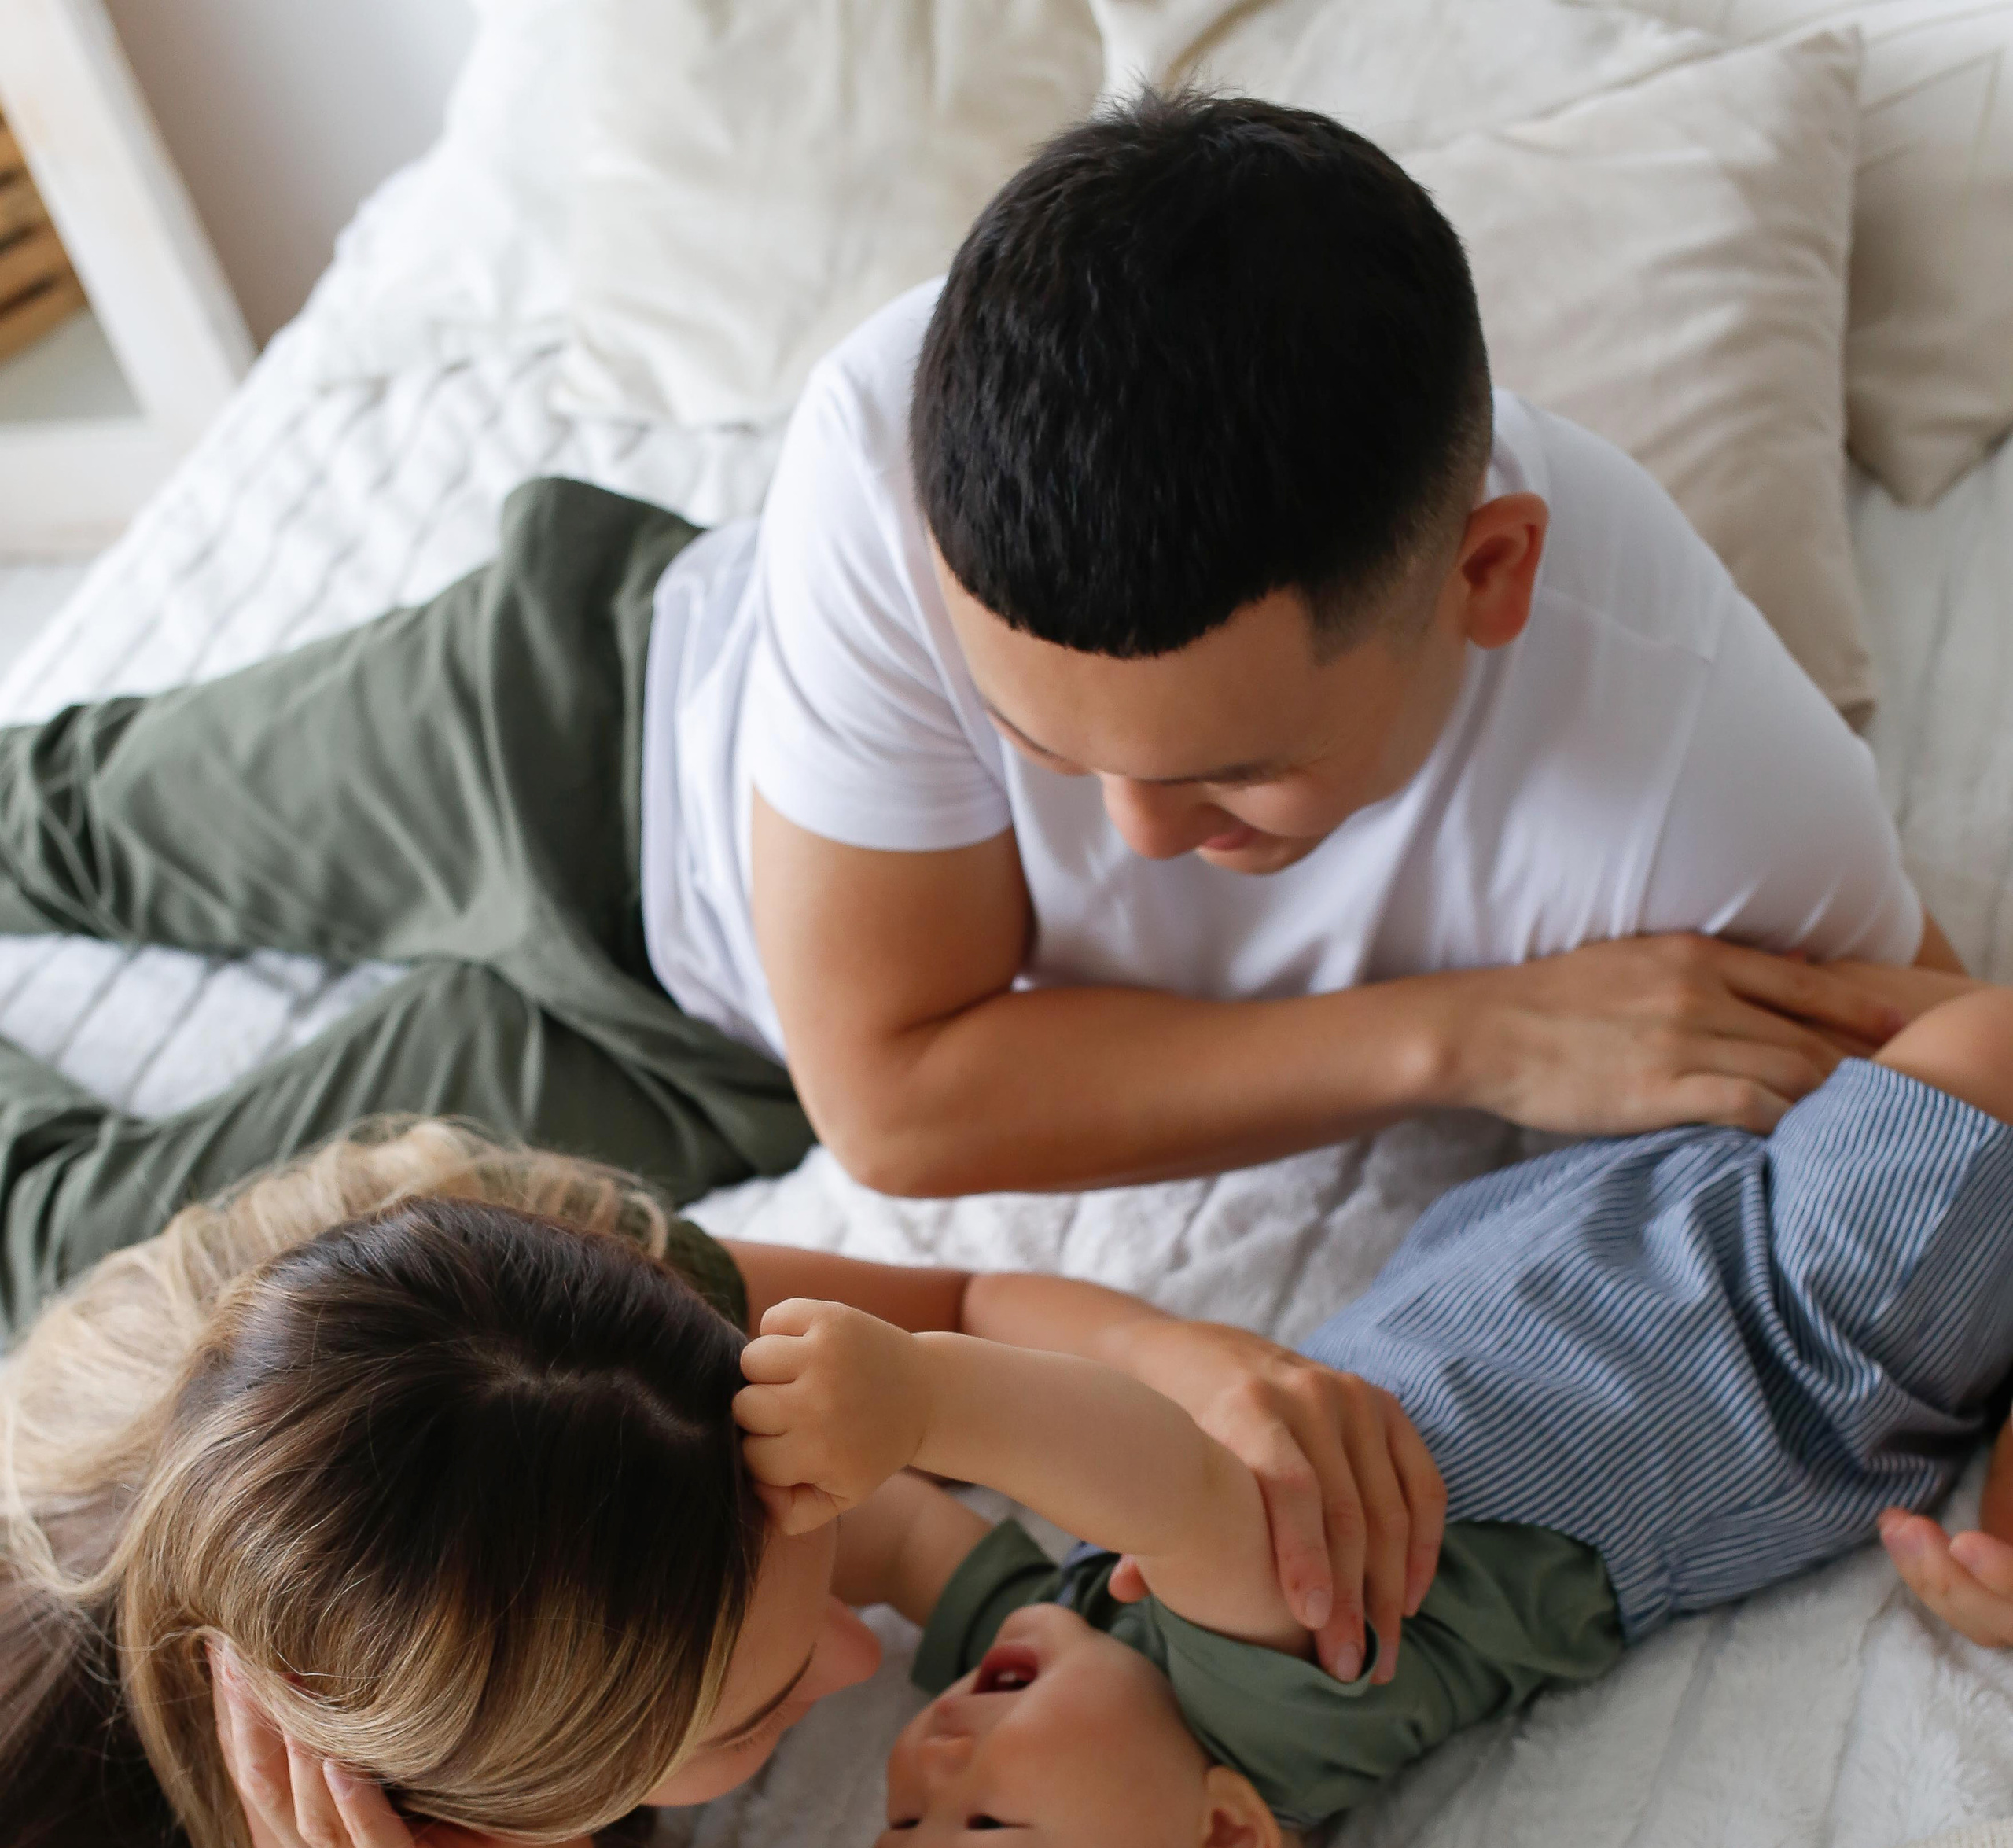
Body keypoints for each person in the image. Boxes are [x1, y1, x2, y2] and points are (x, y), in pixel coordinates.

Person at [0, 99, 1950, 1336]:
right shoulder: (891, 422)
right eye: (1051, 746)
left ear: (1490, 574)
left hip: (708, 1061)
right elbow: (906, 1095)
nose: (1124, 841)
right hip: (565, 721)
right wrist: (1476, 1035)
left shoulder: (1705, 768)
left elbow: (1962, 1075)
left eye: (1225, 770)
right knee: (59, 820)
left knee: (77, 1263)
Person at [0, 1117, 1431, 1848]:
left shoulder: (550, 1333)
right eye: (748, 1718)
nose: (868, 1667)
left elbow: (946, 1318)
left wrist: (1208, 1366)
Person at [729, 977, 2013, 1848]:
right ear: (1228, 1841)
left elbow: (898, 1543)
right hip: (1790, 1322)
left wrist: (763, 1465)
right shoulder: (1286, 1714)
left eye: (895, 1833)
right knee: (1985, 1045)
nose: (926, 1761)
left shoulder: (1055, 1667)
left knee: (1843, 992)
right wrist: (921, 1399)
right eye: (982, 1825)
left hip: (1622, 1229)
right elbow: (1172, 1483)